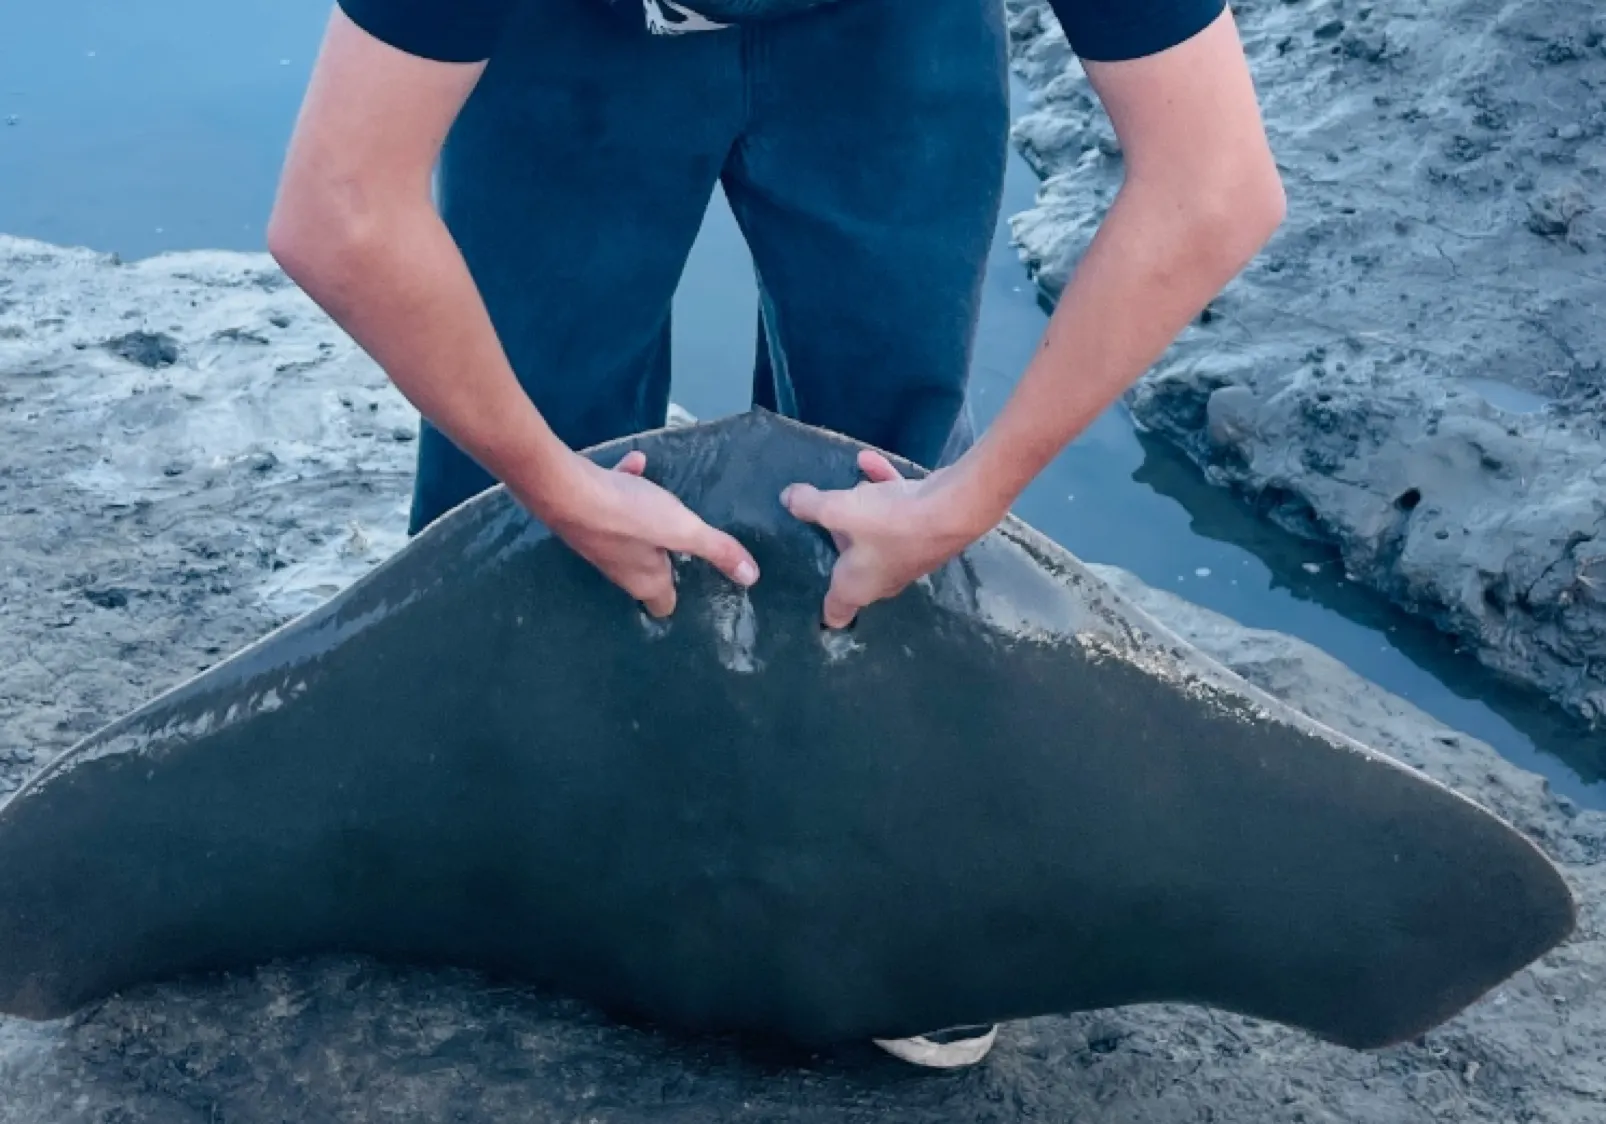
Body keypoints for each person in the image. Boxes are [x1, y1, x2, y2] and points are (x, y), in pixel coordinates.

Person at [267, 0, 1283, 1068]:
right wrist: (548, 480)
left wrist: (970, 499)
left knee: (887, 457)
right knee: (517, 492)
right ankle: (500, 818)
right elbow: (339, 209)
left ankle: (877, 849)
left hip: (889, 36)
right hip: (572, 37)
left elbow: (1213, 186)